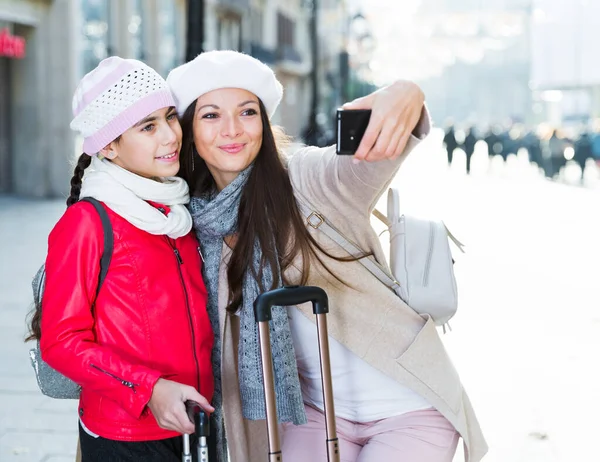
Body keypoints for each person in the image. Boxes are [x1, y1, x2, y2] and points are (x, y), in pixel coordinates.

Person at [167, 50, 487, 462]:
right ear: (189, 128)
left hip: (407, 408)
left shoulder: (306, 179)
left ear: (264, 123)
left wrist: (407, 94)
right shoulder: (190, 221)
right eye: (211, 115)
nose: (232, 129)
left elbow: (365, 163)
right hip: (314, 415)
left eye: (247, 112)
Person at [26, 56, 214, 462]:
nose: (170, 136)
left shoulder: (175, 212)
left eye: (169, 118)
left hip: (194, 420)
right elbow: (59, 342)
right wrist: (149, 389)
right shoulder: (88, 222)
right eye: (148, 126)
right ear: (109, 145)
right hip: (125, 435)